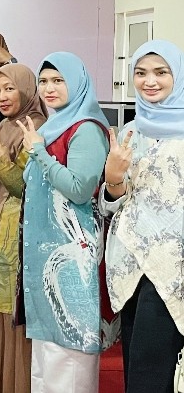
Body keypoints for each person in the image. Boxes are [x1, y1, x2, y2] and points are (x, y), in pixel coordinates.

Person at [19, 52, 109, 393]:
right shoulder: (52, 126)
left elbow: (79, 189)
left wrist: (39, 152)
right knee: (46, 368)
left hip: (72, 260)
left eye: (58, 80)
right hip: (46, 260)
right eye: (43, 81)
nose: (49, 88)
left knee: (69, 364)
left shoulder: (86, 129)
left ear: (77, 82)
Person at [102, 40, 184, 393]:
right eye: (141, 73)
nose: (149, 81)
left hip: (174, 266)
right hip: (130, 262)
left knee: (154, 373)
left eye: (161, 72)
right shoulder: (131, 132)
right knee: (138, 368)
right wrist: (113, 178)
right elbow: (113, 204)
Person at [0, 64, 46, 393]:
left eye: (10, 88)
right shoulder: (5, 125)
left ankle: (13, 384)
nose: (2, 96)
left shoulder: (35, 126)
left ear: (26, 88)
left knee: (11, 309)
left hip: (20, 229)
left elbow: (25, 186)